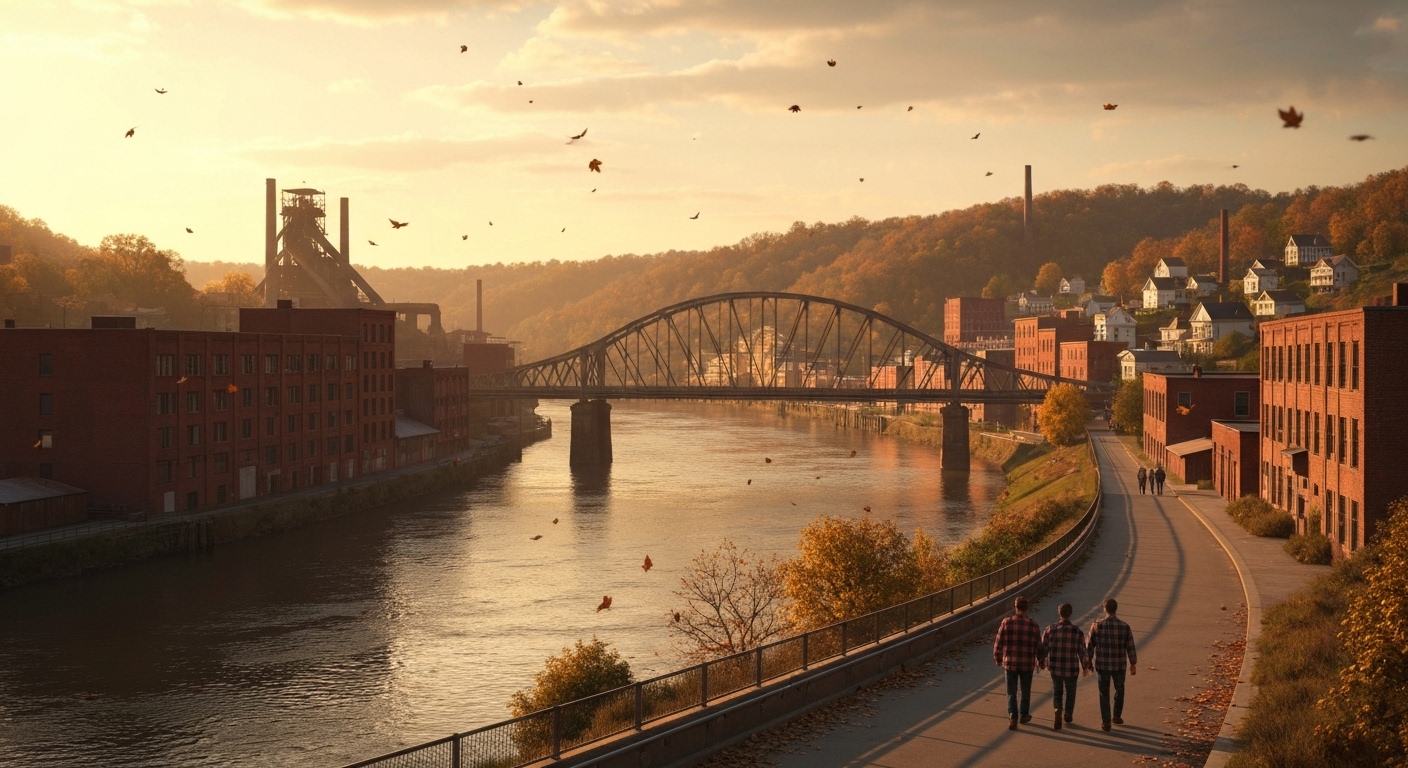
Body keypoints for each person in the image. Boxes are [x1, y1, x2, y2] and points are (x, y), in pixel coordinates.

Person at [993, 595, 1046, 730]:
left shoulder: (1006, 622)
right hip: (1027, 663)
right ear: (1027, 608)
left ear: (1016, 607)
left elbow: (999, 642)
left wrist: (998, 657)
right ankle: (1024, 714)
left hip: (1010, 662)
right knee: (1025, 690)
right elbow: (1039, 645)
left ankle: (1012, 715)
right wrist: (1041, 659)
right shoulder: (1033, 625)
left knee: (1011, 691)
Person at [1087, 598, 1138, 732]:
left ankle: (1106, 722)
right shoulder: (1124, 626)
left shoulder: (1096, 625)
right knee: (1119, 689)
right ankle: (1116, 715)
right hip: (1119, 665)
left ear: (1105, 609)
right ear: (1116, 609)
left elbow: (1090, 645)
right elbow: (1130, 647)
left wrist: (1088, 661)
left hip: (1103, 665)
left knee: (1104, 693)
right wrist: (1133, 663)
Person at [1041, 602, 1090, 730]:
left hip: (1055, 666)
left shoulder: (1050, 629)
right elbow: (1082, 651)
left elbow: (1044, 649)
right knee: (1070, 692)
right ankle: (1068, 714)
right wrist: (1085, 666)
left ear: (1059, 613)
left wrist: (1041, 661)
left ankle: (1057, 708)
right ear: (1070, 614)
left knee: (1057, 691)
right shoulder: (1077, 631)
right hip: (1071, 667)